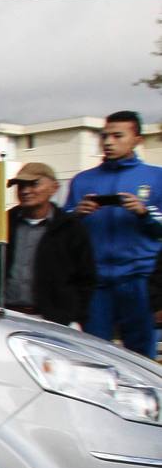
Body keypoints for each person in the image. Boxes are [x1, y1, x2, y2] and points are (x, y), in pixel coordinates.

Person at [64, 110, 162, 356]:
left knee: (141, 356)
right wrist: (77, 214)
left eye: (118, 136)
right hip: (96, 282)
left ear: (137, 139)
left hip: (140, 279)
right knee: (95, 354)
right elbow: (62, 231)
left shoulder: (156, 177)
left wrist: (144, 213)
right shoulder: (82, 180)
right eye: (104, 136)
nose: (108, 142)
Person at [0, 162, 95, 324]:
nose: (25, 191)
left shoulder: (70, 229)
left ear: (54, 187)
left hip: (51, 321)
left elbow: (86, 278)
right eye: (20, 186)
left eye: (34, 184)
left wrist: (71, 315)